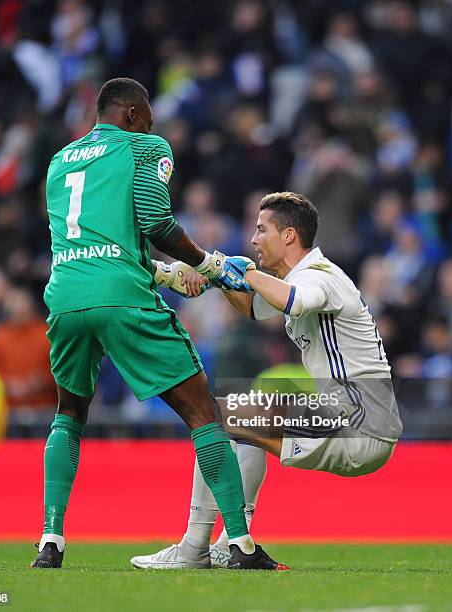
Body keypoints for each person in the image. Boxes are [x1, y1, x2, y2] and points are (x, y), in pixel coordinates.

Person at [32, 77, 287, 571]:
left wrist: (169, 272)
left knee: (68, 416)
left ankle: (50, 539)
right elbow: (155, 222)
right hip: (122, 299)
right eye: (148, 114)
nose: (153, 124)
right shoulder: (146, 145)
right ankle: (240, 544)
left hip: (64, 298)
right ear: (130, 114)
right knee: (204, 414)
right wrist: (210, 264)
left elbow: (98, 243)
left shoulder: (59, 162)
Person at [131, 191, 402, 569]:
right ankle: (229, 543)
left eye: (261, 230)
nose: (254, 238)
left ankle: (195, 547)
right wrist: (216, 276)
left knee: (217, 417)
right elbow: (252, 306)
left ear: (289, 235)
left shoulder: (319, 275)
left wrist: (237, 270)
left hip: (359, 419)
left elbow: (296, 302)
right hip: (356, 417)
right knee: (241, 420)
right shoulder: (298, 277)